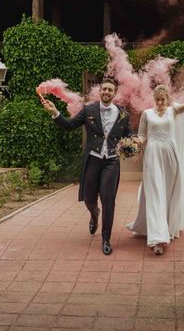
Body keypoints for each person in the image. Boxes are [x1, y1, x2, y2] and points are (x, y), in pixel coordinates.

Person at [41, 78, 133, 255]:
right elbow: (69, 125)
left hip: (111, 161)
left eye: (110, 90)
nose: (107, 92)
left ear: (114, 94)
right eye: (104, 89)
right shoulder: (89, 110)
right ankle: (94, 214)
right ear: (100, 91)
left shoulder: (123, 114)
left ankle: (106, 238)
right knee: (89, 197)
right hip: (92, 160)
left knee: (108, 199)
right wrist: (55, 113)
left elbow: (129, 133)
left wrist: (134, 139)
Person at [126, 74, 184, 255]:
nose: (160, 102)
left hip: (170, 157)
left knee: (167, 193)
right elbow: (142, 135)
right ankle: (158, 240)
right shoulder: (147, 114)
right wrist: (134, 143)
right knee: (155, 194)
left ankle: (166, 226)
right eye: (158, 99)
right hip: (152, 156)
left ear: (167, 99)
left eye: (163, 99)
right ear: (154, 99)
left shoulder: (173, 110)